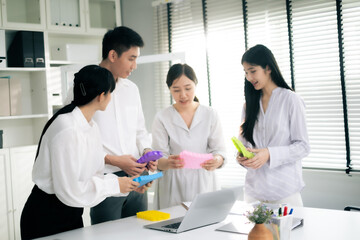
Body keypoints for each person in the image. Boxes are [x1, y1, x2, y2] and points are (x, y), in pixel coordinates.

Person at [20, 65, 140, 240]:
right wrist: (115, 185)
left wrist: (127, 184)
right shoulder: (66, 127)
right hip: (46, 216)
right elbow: (71, 190)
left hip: (71, 214)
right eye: (110, 93)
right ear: (101, 96)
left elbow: (92, 171)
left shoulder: (90, 126)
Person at [74, 26, 156, 224]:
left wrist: (147, 151)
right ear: (112, 55)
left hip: (136, 177)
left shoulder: (132, 89)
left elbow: (140, 130)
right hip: (105, 180)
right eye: (131, 58)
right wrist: (115, 161)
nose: (135, 65)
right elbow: (78, 143)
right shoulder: (84, 86)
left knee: (139, 232)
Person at [236, 44, 310, 206]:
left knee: (286, 232)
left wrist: (269, 154)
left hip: (284, 192)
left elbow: (303, 146)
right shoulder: (249, 105)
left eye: (253, 71)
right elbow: (244, 143)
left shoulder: (291, 100)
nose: (249, 77)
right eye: (246, 72)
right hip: (253, 193)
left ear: (268, 68)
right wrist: (241, 157)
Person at [152, 63, 227, 209]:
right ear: (169, 89)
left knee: (204, 226)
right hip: (173, 185)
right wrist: (167, 162)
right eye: (176, 90)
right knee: (172, 225)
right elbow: (157, 159)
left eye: (188, 88)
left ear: (195, 85)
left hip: (204, 183)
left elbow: (220, 151)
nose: (183, 95)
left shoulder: (210, 114)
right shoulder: (162, 117)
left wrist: (217, 160)